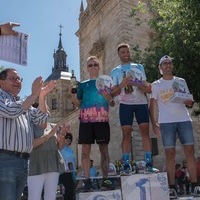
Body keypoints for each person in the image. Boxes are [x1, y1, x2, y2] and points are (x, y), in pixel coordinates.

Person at [149, 55, 200, 198]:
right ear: (160, 68)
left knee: (190, 152)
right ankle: (171, 188)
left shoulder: (180, 81)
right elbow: (151, 105)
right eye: (164, 63)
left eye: (169, 63)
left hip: (184, 119)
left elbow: (189, 101)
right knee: (169, 154)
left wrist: (188, 102)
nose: (167, 65)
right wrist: (154, 124)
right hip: (166, 122)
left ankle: (195, 186)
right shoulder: (156, 85)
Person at [0, 68, 55, 200]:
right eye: (13, 78)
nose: (17, 81)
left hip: (24, 162)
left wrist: (41, 96)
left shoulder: (25, 103)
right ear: (1, 83)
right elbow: (11, 112)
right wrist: (34, 95)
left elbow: (42, 122)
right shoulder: (1, 97)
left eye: (19, 79)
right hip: (5, 160)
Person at [71, 56, 115, 192]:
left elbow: (112, 103)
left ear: (99, 66)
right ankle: (87, 181)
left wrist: (109, 98)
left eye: (95, 64)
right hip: (85, 121)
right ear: (87, 68)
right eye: (90, 65)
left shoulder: (106, 82)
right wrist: (72, 96)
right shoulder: (83, 85)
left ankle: (106, 179)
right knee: (85, 152)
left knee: (104, 150)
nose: (93, 67)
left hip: (102, 120)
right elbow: (78, 104)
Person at [110, 43, 152, 174]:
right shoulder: (115, 71)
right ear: (119, 54)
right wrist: (122, 84)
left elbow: (145, 85)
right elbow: (113, 92)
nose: (126, 54)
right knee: (126, 134)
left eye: (127, 51)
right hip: (125, 104)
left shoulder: (139, 67)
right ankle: (126, 165)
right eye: (123, 52)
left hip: (141, 103)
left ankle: (149, 163)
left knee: (145, 132)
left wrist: (135, 82)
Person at [28, 115, 70, 200]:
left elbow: (60, 147)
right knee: (34, 197)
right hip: (36, 164)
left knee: (51, 196)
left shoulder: (53, 126)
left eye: (47, 111)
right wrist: (49, 135)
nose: (46, 113)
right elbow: (30, 145)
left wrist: (62, 134)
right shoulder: (30, 126)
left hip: (53, 164)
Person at [58, 132, 77, 200]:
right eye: (66, 137)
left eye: (70, 138)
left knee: (71, 190)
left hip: (71, 172)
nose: (68, 139)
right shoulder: (60, 149)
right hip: (64, 172)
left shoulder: (71, 150)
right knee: (69, 189)